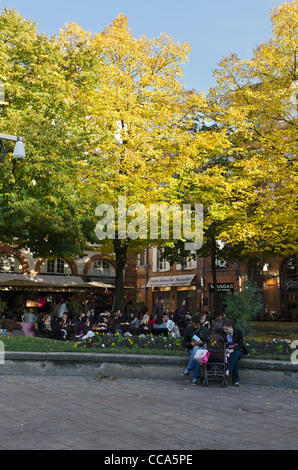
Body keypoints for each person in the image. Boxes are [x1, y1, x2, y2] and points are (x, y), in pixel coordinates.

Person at [181, 314, 210, 385]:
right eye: (194, 325)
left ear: (199, 323)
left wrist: (202, 342)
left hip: (203, 350)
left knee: (198, 352)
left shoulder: (205, 330)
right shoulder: (188, 330)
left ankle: (188, 370)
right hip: (192, 349)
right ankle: (195, 378)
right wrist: (190, 343)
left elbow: (208, 342)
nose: (195, 326)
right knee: (197, 353)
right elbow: (184, 343)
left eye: (197, 325)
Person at [222, 320, 247, 386]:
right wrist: (227, 349)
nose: (225, 331)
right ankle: (236, 381)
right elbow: (223, 344)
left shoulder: (238, 332)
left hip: (238, 351)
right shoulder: (224, 334)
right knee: (234, 359)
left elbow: (240, 345)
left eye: (227, 329)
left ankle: (228, 370)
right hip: (228, 352)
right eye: (224, 330)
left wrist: (232, 350)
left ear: (231, 327)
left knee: (235, 354)